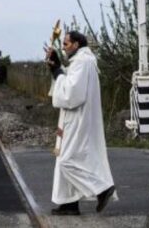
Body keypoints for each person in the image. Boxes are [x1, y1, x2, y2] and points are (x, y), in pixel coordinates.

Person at [46, 31, 116, 215]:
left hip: (78, 119)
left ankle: (102, 189)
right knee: (64, 159)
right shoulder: (81, 61)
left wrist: (58, 72)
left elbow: (71, 95)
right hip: (75, 118)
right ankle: (69, 204)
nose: (63, 46)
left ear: (76, 44)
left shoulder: (83, 62)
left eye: (66, 44)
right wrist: (57, 67)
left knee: (67, 161)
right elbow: (67, 80)